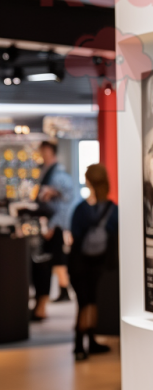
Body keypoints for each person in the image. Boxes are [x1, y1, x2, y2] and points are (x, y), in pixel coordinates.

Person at [68, 163, 118, 361]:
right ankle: (91, 340)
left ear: (88, 181)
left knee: (83, 303)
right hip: (99, 264)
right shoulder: (112, 210)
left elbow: (75, 235)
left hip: (78, 263)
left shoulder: (81, 209)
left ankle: (79, 344)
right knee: (92, 301)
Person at [31, 140, 75, 320]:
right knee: (52, 262)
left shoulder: (58, 173)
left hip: (53, 225)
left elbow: (66, 201)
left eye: (44, 150)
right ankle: (53, 297)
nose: (42, 153)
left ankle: (44, 304)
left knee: (49, 263)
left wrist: (53, 225)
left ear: (50, 150)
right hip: (47, 224)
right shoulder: (46, 170)